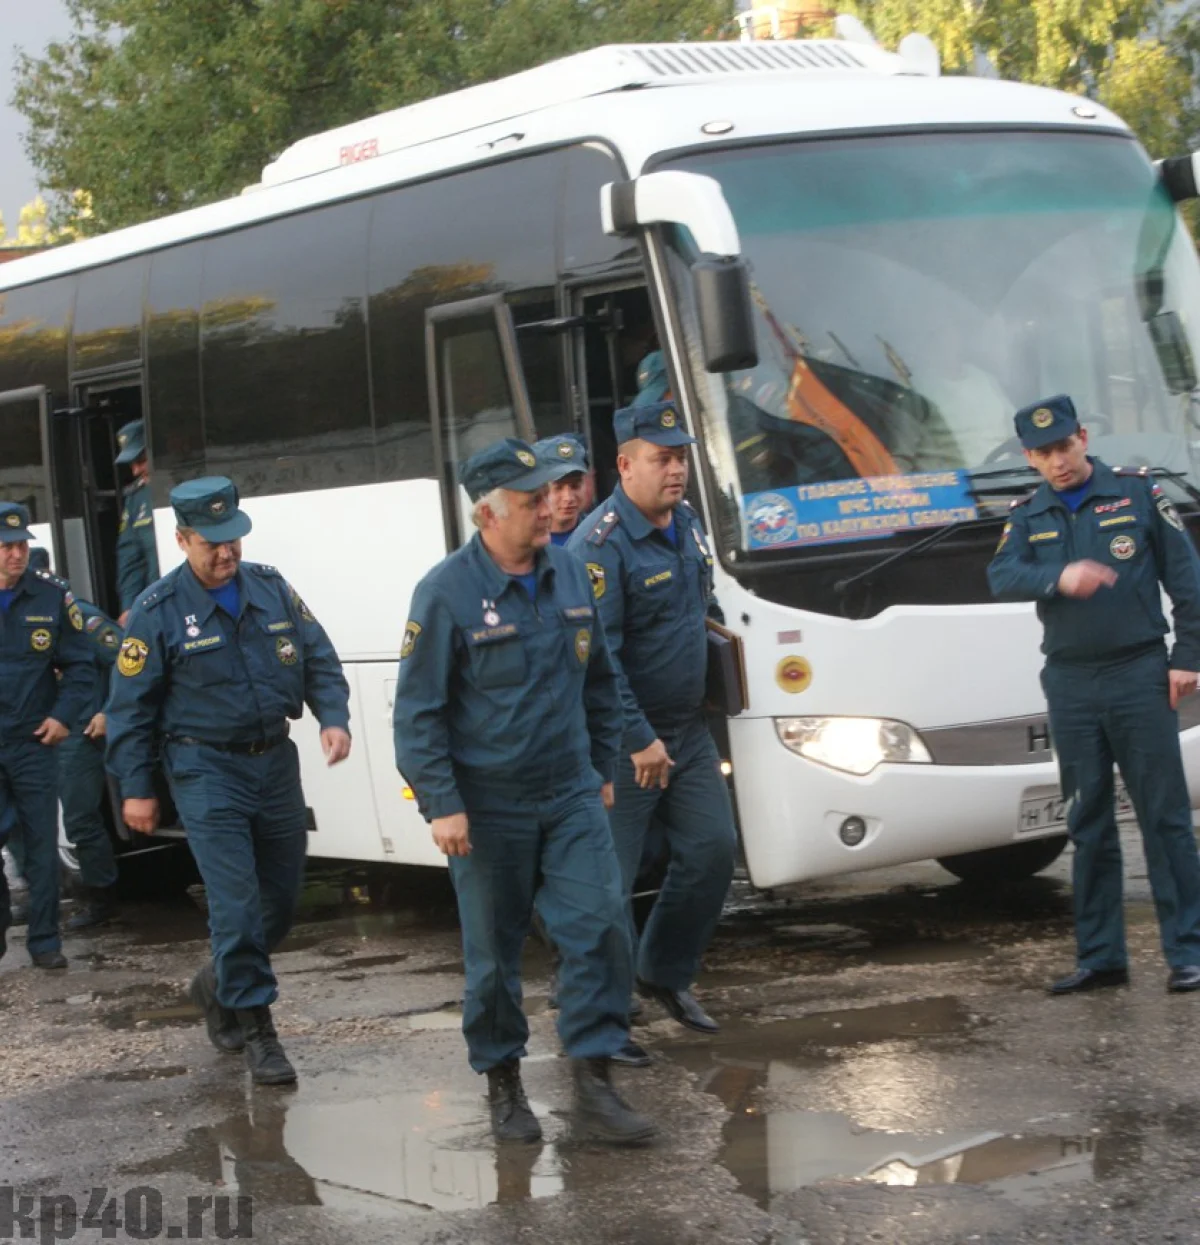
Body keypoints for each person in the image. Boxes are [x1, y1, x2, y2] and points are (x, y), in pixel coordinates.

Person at [394, 438, 656, 1146]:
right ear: (487, 512)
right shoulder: (444, 593)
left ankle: (594, 1081)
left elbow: (600, 678)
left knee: (601, 925)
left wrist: (601, 767)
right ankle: (504, 1082)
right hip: (489, 806)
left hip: (569, 791)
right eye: (530, 500)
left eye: (547, 497)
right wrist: (442, 802)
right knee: (493, 956)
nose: (548, 510)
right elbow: (417, 714)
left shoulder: (569, 573)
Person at [104, 477, 352, 1083]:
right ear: (182, 539)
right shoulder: (158, 611)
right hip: (205, 767)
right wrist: (136, 788)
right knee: (237, 907)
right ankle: (258, 1029)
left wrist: (333, 717)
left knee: (281, 902)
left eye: (233, 539)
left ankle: (218, 982)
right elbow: (130, 710)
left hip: (274, 762)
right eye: (211, 542)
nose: (226, 552)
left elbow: (318, 657)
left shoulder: (271, 587)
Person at [988, 394, 1200, 995]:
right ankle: (1102, 957)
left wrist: (1188, 657)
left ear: (1082, 438)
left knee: (1164, 817)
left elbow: (1187, 579)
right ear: (1029, 457)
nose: (1057, 461)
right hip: (1071, 682)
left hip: (1138, 672)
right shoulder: (1028, 513)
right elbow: (1001, 575)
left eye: (1063, 446)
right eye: (1043, 453)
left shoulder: (1137, 493)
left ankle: (1189, 951)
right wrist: (1058, 576)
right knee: (1087, 820)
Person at [568, 401, 736, 1034]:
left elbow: (702, 605)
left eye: (681, 458)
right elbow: (597, 660)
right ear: (625, 465)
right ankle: (599, 1018)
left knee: (713, 851)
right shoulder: (599, 547)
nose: (676, 470)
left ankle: (663, 973)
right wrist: (639, 738)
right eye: (662, 459)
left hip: (686, 730)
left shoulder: (685, 522)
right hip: (622, 741)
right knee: (606, 885)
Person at [0, 504, 95, 968]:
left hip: (32, 741)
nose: (17, 554)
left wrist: (62, 717)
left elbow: (81, 666)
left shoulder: (51, 597)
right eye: (7, 547)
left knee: (40, 844)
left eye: (21, 545)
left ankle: (44, 942)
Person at [114, 419, 160, 626]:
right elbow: (131, 558)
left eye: (141, 461)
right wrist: (129, 606)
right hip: (158, 601)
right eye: (132, 464)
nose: (135, 471)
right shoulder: (136, 497)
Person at [534, 435, 591, 545]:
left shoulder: (597, 533)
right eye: (558, 488)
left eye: (575, 486)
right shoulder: (526, 541)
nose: (568, 498)